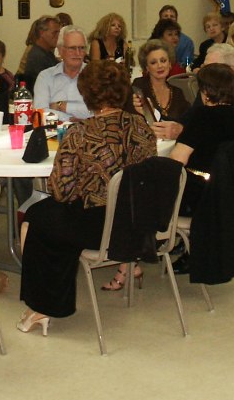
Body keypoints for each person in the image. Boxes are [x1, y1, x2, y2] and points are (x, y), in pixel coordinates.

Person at [17, 60, 157, 334]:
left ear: (87, 94)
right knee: (50, 215)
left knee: (36, 216)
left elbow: (61, 191)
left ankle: (42, 306)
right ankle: (48, 300)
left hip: (101, 228)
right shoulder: (143, 128)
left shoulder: (80, 133)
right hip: (138, 220)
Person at [170, 63, 234, 216]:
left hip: (201, 194)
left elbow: (177, 159)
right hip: (230, 193)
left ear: (205, 92)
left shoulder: (202, 117)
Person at [151, 43, 234, 142]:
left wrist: (183, 132)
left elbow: (223, 143)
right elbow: (186, 120)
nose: (203, 72)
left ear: (229, 71)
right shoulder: (208, 92)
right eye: (204, 67)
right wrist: (154, 112)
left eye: (210, 68)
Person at [33, 25, 92, 123]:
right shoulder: (45, 77)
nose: (78, 53)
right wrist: (69, 119)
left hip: (91, 133)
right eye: (72, 48)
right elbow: (40, 112)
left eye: (81, 48)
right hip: (53, 133)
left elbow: (99, 111)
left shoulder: (96, 76)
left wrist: (61, 106)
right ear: (60, 50)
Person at [129, 39, 190, 122]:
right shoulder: (139, 86)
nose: (160, 65)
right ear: (147, 67)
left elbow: (188, 121)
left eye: (163, 61)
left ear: (170, 64)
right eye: (153, 62)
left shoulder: (177, 93)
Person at [21, 15, 60, 87]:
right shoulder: (37, 56)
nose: (58, 36)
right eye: (55, 33)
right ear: (41, 33)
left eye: (59, 32)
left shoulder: (47, 53)